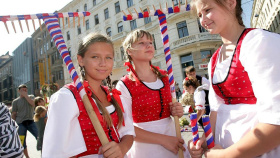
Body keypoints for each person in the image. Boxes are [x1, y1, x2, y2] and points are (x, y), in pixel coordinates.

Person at [188, 0, 280, 157]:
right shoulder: (214, 59)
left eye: (208, 10)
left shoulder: (259, 42)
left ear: (230, 3)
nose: (202, 20)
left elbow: (276, 120)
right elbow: (216, 109)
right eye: (199, 15)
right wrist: (205, 139)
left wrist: (227, 155)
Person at [42, 33, 135, 158]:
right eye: (95, 57)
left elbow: (128, 132)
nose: (103, 63)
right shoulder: (67, 97)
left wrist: (121, 148)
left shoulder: (113, 95)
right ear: (81, 60)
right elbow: (55, 153)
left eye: (108, 57)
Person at [116, 29, 190, 158]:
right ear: (129, 51)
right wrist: (164, 140)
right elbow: (124, 127)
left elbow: (170, 110)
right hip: (145, 146)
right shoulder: (124, 85)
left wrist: (176, 110)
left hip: (173, 135)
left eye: (150, 42)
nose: (149, 45)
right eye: (141, 43)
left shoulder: (165, 77)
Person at [11, 84, 38, 158]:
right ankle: (27, 157)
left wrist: (26, 95)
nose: (24, 91)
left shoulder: (31, 97)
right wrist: (13, 125)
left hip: (31, 121)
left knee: (39, 137)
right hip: (20, 123)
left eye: (25, 90)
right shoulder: (15, 101)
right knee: (22, 142)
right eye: (22, 90)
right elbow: (14, 113)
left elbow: (33, 104)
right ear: (19, 91)